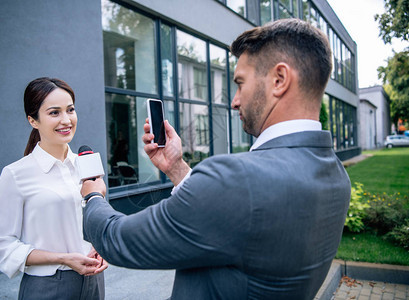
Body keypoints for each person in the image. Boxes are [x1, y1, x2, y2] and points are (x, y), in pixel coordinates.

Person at [81, 19, 351, 299]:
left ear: (279, 80)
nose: (234, 100)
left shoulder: (237, 179)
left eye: (240, 83)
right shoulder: (336, 175)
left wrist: (93, 198)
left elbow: (120, 240)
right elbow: (236, 224)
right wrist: (176, 167)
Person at [0, 77, 107, 300]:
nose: (66, 120)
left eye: (70, 110)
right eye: (54, 113)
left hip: (94, 280)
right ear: (33, 120)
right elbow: (2, 245)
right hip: (49, 286)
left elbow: (96, 221)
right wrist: (63, 258)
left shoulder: (87, 165)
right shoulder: (15, 174)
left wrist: (102, 246)